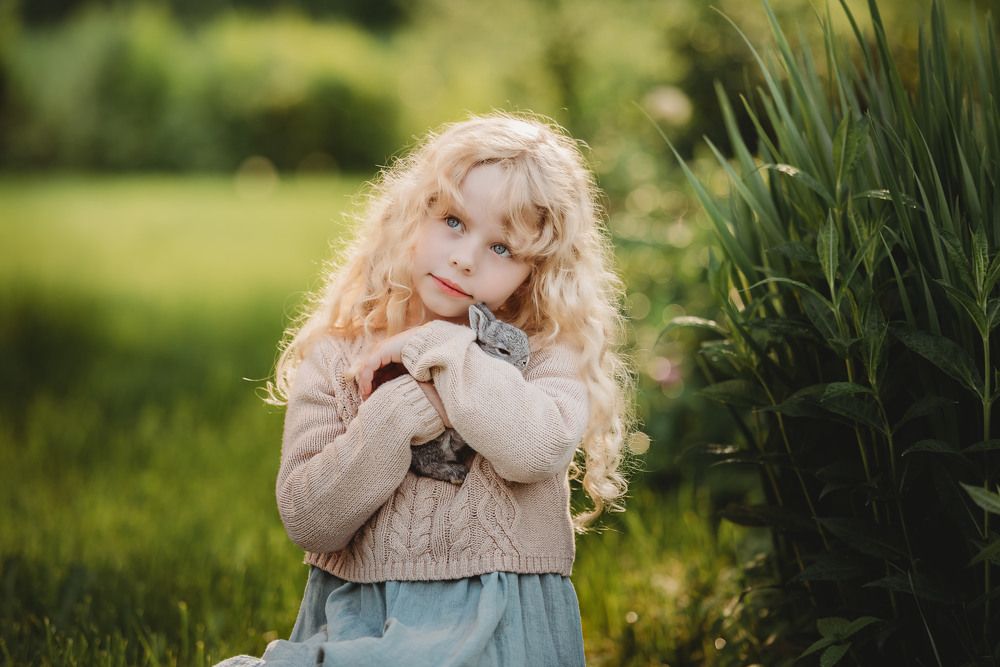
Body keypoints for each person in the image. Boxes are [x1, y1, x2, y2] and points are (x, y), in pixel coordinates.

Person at [218, 112, 636, 666]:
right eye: (454, 223)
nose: (465, 258)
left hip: (501, 628)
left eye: (502, 249)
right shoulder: (340, 354)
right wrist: (399, 411)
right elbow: (310, 519)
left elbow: (537, 450)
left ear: (535, 272)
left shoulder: (543, 353)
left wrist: (446, 349)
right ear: (413, 213)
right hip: (367, 621)